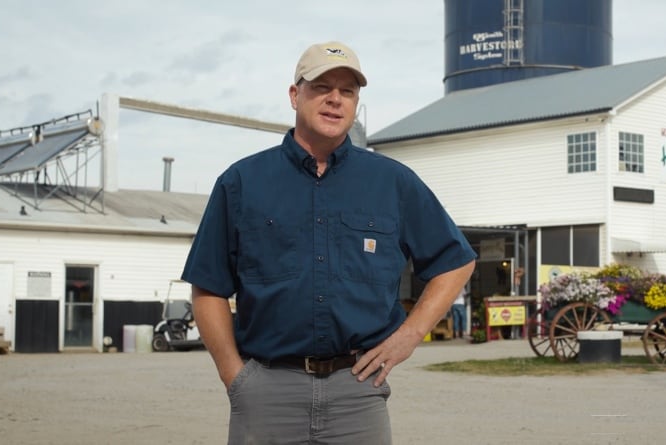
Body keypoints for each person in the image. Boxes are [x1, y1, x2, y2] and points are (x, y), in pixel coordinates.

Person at [181, 41, 476, 444]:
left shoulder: (392, 182)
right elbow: (208, 286)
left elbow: (455, 261)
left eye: (347, 91)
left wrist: (408, 337)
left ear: (356, 103)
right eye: (321, 86)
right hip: (267, 392)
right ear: (294, 94)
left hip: (357, 393)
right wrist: (235, 377)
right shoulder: (242, 183)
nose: (335, 99)